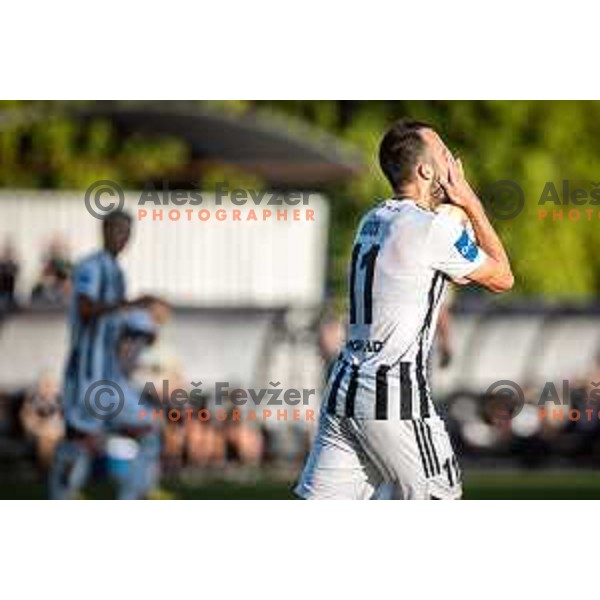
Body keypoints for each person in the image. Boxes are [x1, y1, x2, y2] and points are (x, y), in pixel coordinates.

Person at [295, 119, 513, 500]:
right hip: (394, 394)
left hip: (344, 388)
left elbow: (442, 272)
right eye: (446, 156)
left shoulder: (373, 219)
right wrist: (471, 202)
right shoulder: (432, 229)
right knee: (440, 500)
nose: (453, 165)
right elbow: (503, 277)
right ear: (426, 170)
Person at [49, 209, 160, 499]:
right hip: (86, 374)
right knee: (79, 439)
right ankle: (61, 496)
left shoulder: (117, 272)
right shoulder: (90, 267)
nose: (122, 238)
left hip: (108, 375)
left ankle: (131, 497)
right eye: (117, 230)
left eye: (127, 232)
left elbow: (112, 320)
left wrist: (139, 332)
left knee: (149, 428)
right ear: (105, 230)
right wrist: (130, 305)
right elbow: (86, 309)